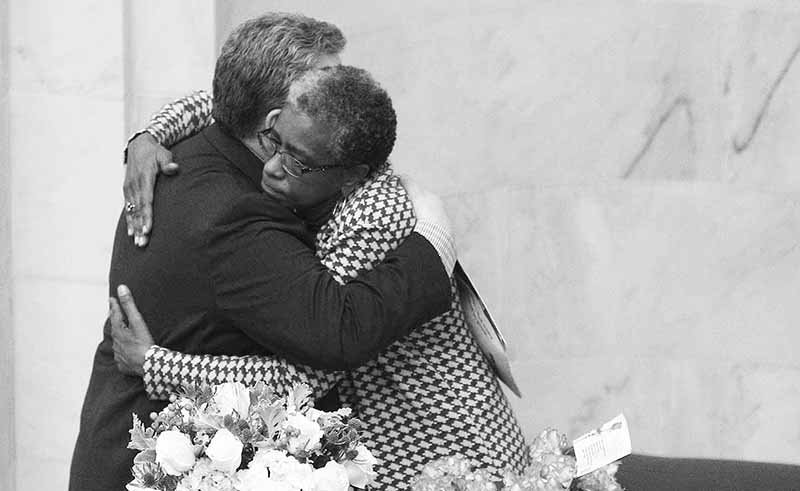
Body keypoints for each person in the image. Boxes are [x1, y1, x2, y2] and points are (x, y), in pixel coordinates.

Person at [69, 15, 454, 491]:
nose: (340, 96)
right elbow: (337, 335)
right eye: (328, 84)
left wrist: (147, 134)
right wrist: (433, 247)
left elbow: (214, 104)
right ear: (278, 119)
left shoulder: (186, 153)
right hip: (160, 468)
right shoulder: (241, 214)